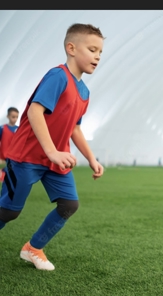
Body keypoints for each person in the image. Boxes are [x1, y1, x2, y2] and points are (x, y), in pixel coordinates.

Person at [0, 23, 105, 270]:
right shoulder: (58, 76)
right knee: (9, 211)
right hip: (27, 156)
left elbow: (75, 128)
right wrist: (51, 151)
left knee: (69, 205)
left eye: (100, 52)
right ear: (71, 48)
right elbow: (35, 111)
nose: (98, 56)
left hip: (55, 161)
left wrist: (91, 158)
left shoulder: (85, 92)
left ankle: (33, 248)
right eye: (92, 49)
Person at [0, 107, 19, 182]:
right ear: (8, 116)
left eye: (17, 117)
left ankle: (4, 173)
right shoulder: (2, 128)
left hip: (14, 155)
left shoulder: (18, 129)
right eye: (13, 117)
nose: (15, 119)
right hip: (3, 156)